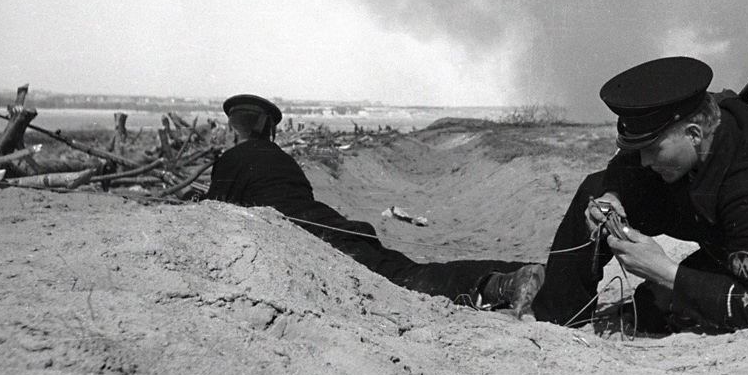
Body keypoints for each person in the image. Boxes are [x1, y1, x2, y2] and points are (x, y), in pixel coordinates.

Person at [524, 56, 748, 332]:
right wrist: (613, 194)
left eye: (652, 149)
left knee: (652, 307)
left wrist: (663, 270)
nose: (644, 162)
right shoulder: (691, 114)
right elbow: (632, 158)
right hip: (709, 207)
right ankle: (558, 319)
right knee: (596, 191)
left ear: (694, 134)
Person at [205, 94, 543, 314]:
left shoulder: (230, 161)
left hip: (313, 238)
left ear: (235, 128)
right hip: (331, 226)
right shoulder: (283, 160)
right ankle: (516, 273)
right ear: (269, 129)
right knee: (402, 268)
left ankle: (498, 284)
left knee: (403, 280)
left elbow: (213, 209)